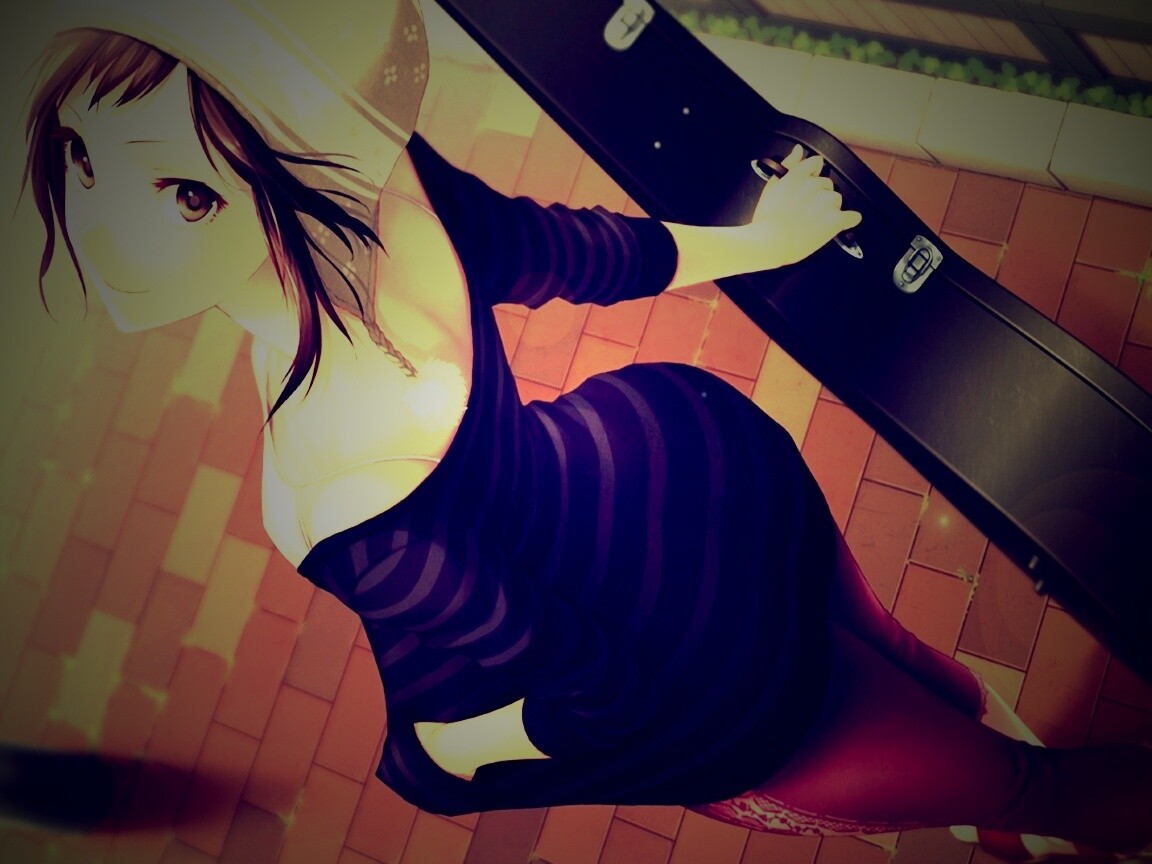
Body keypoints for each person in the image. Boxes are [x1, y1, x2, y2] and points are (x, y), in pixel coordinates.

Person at [17, 0, 1152, 859]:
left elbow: (583, 699)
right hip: (698, 513)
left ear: (290, 157)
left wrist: (439, 756)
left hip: (706, 622)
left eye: (184, 193)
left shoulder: (326, 486)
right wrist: (758, 243)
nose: (101, 229)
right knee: (986, 755)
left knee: (962, 722)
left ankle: (1006, 791)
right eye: (79, 154)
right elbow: (560, 254)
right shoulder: (387, 210)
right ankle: (1008, 793)